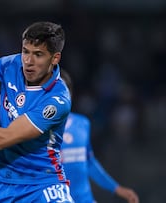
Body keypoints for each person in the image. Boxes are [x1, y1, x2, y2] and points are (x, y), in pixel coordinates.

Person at [0, 21, 74, 202]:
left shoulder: (56, 101)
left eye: (38, 55)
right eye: (25, 51)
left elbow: (3, 139)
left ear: (55, 58)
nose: (28, 61)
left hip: (41, 185)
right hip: (0, 185)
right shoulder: (13, 65)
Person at [60, 70, 139, 203]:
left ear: (70, 94)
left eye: (63, 90)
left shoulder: (82, 123)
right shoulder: (37, 130)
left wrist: (117, 188)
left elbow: (89, 162)